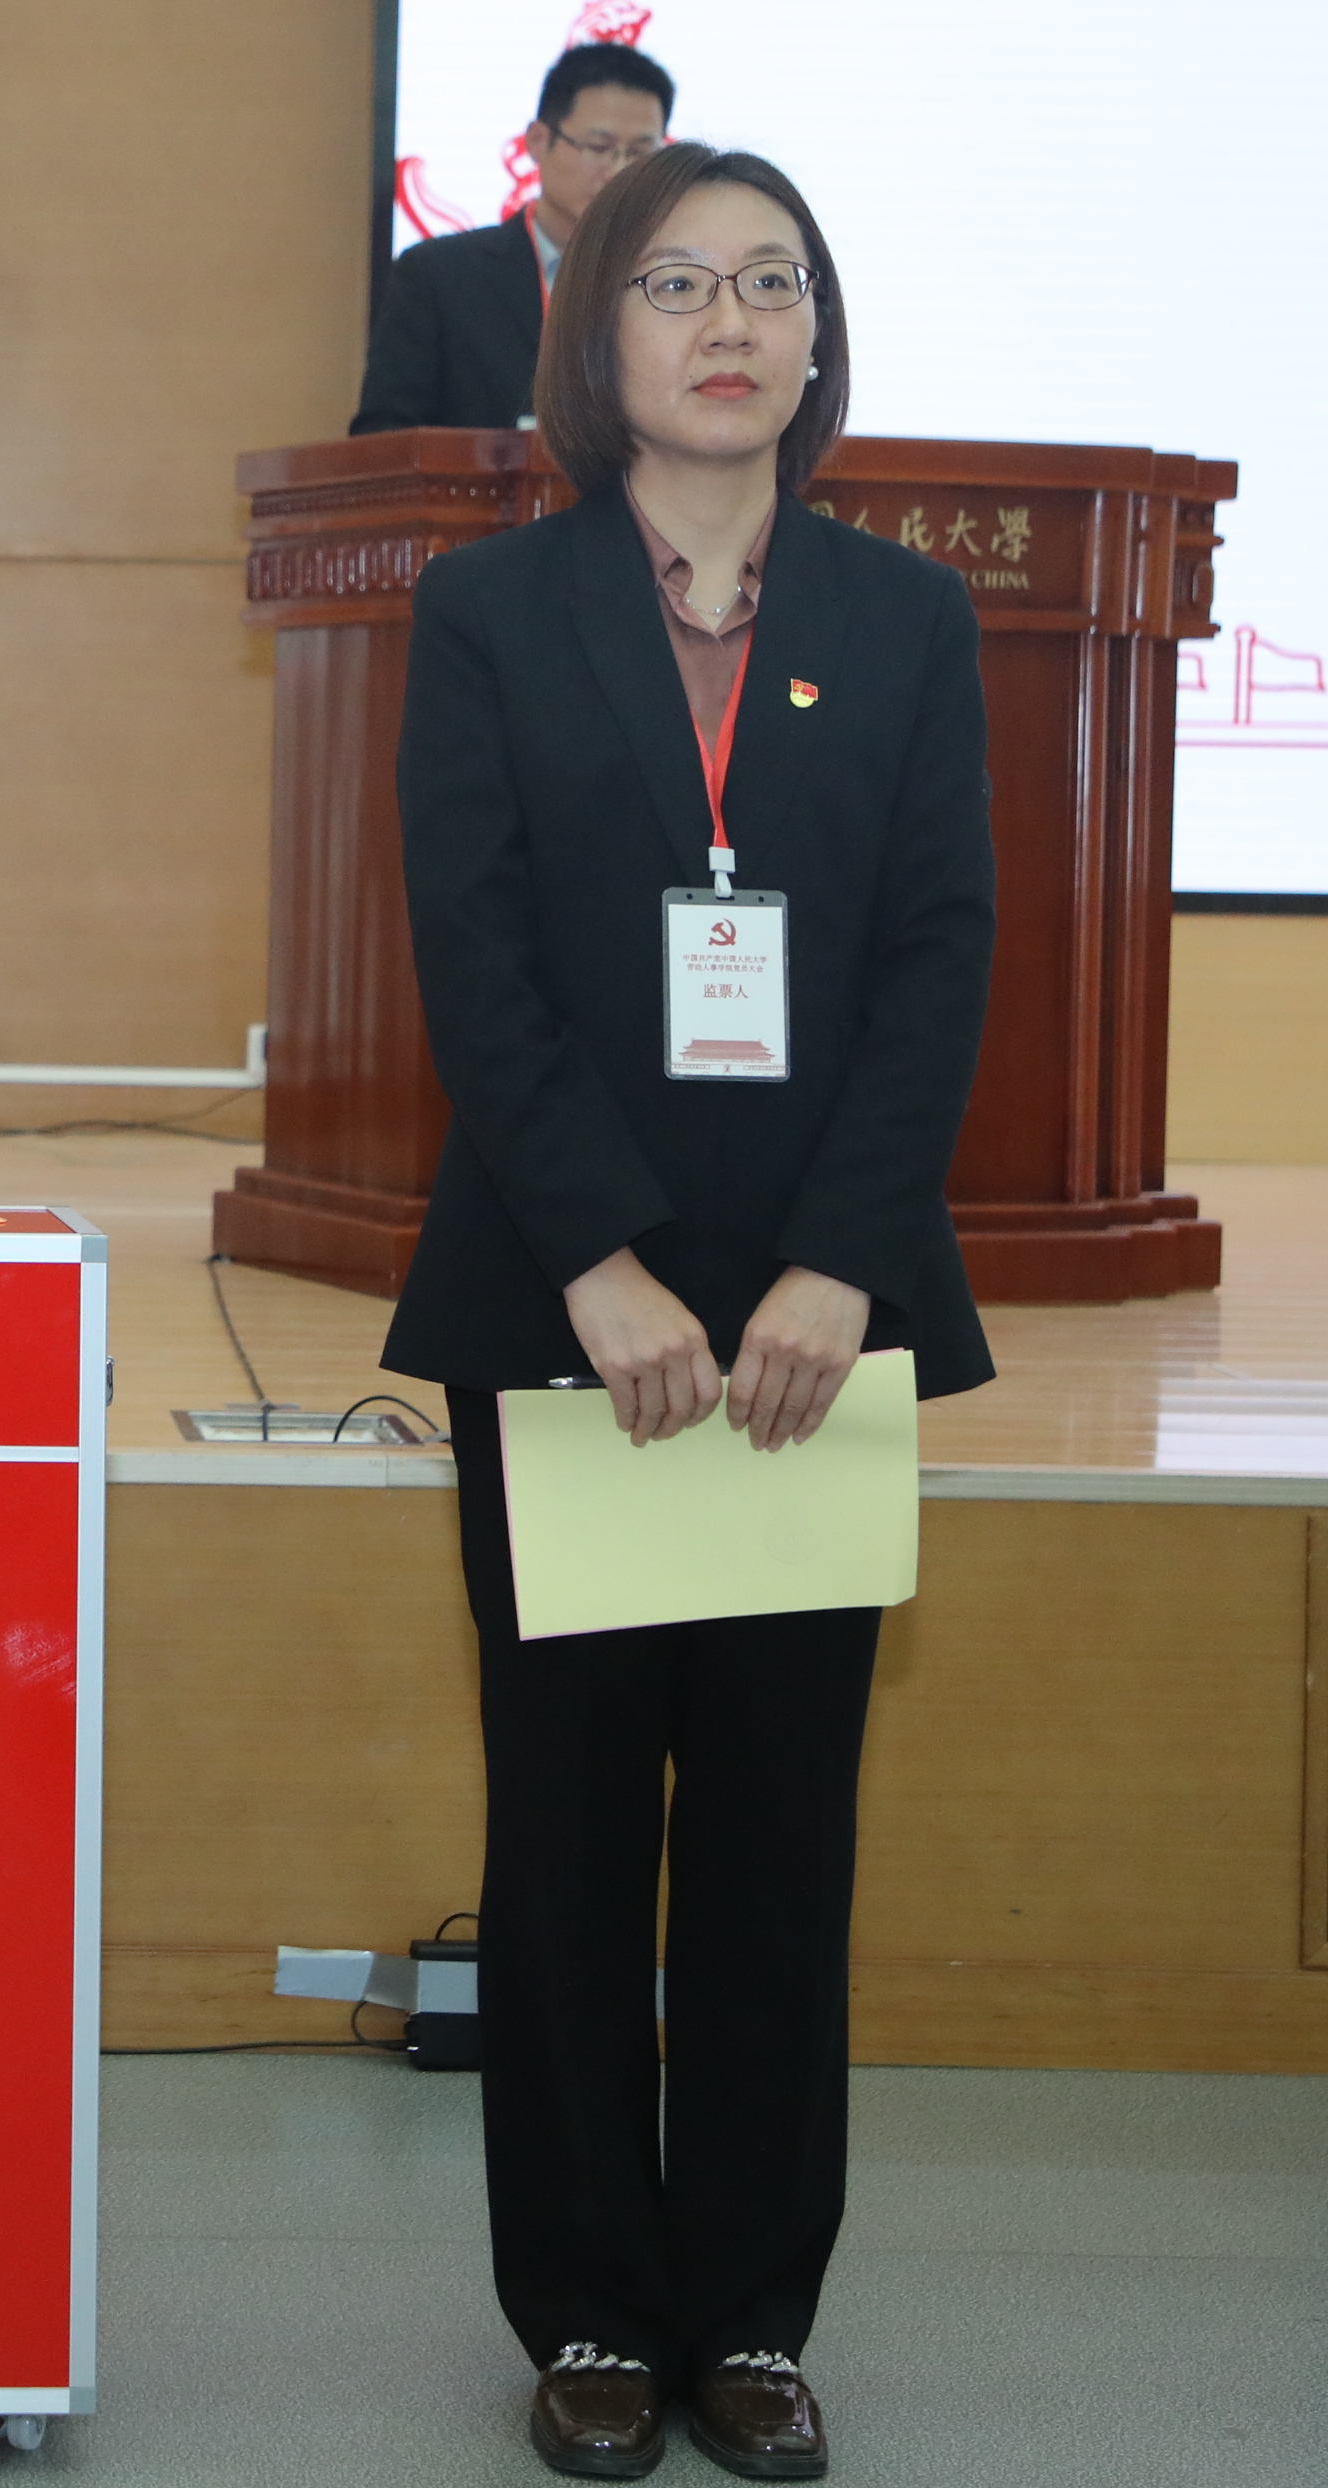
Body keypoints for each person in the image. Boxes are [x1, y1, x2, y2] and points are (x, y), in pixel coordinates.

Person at [379, 142, 996, 2482]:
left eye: (770, 283)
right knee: (561, 1837)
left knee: (775, 1836)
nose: (729, 322)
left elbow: (938, 954)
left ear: (817, 340)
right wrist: (597, 1260)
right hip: (572, 1315)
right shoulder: (490, 611)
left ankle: (745, 2315)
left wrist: (841, 1259)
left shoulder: (907, 619)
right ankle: (586, 2312)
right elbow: (476, 959)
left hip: (816, 1324)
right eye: (676, 284)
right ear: (595, 335)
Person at [351, 41, 677, 434]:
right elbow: (384, 437)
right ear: (538, 141)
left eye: (641, 153)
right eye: (599, 147)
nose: (619, 171)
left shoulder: (680, 280)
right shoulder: (439, 276)